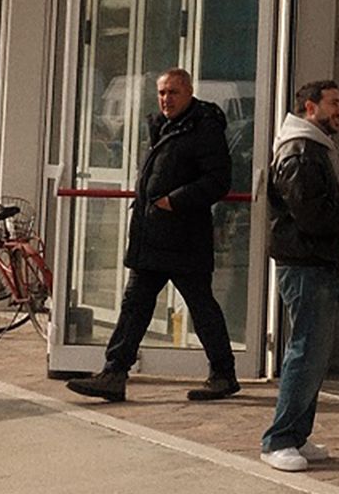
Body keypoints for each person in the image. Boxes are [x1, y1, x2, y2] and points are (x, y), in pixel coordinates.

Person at [66, 68, 238, 404]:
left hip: (184, 238)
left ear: (189, 92)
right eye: (161, 93)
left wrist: (175, 201)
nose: (166, 99)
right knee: (135, 305)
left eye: (173, 92)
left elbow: (218, 180)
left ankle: (223, 374)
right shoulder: (163, 126)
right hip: (153, 235)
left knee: (201, 306)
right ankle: (114, 372)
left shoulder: (203, 127)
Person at [261, 79, 339, 473]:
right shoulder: (300, 150)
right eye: (333, 103)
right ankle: (279, 439)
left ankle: (296, 434)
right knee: (305, 351)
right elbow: (310, 214)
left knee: (313, 354)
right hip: (305, 264)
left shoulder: (317, 147)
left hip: (320, 262)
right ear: (310, 108)